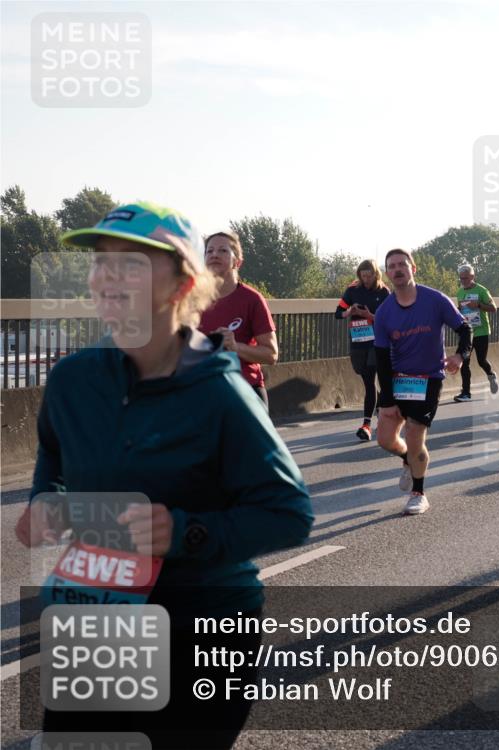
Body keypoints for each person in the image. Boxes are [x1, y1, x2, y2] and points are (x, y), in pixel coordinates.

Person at [21, 201, 313, 749]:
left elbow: (288, 514)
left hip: (205, 624)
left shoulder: (221, 394)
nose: (107, 276)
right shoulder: (71, 381)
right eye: (101, 261)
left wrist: (184, 532)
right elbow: (53, 462)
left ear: (183, 285)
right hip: (103, 620)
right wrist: (47, 502)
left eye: (130, 263)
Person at [373, 248, 472, 514]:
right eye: (391, 266)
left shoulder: (435, 300)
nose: (397, 270)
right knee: (384, 439)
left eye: (402, 264)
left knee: (415, 435)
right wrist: (387, 399)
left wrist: (460, 356)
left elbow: (465, 329)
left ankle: (418, 492)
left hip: (427, 379)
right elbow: (381, 359)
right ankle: (408, 459)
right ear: (387, 273)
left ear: (412, 268)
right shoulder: (383, 313)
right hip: (396, 380)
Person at [199, 230, 278, 410]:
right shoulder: (191, 299)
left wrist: (235, 347)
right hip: (202, 392)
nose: (214, 255)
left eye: (223, 251)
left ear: (238, 262)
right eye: (209, 251)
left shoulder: (252, 299)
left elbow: (271, 354)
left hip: (245, 392)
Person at [336, 259, 390, 440]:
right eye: (363, 275)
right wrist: (349, 312)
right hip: (358, 341)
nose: (366, 279)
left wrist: (369, 315)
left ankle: (366, 425)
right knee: (366, 377)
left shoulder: (383, 292)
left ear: (376, 274)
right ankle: (381, 403)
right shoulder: (352, 290)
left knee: (370, 383)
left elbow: (389, 320)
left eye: (369, 275)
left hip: (377, 342)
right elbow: (338, 313)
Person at [454, 264, 499, 401]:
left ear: (473, 277)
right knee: (464, 361)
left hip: (481, 331)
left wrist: (479, 305)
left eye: (466, 278)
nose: (463, 281)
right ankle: (466, 393)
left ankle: (491, 375)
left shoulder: (482, 290)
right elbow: (460, 309)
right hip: (467, 332)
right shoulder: (459, 292)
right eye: (461, 278)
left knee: (481, 361)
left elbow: (494, 308)